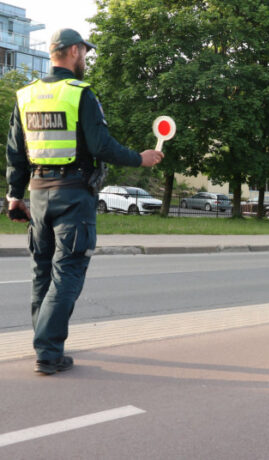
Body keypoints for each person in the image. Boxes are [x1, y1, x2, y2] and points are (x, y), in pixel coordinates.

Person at [5, 28, 164, 375]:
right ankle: (47, 353)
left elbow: (16, 154)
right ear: (74, 51)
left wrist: (14, 197)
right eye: (85, 54)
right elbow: (102, 146)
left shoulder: (26, 95)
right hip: (73, 196)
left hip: (38, 193)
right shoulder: (80, 94)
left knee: (42, 272)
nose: (86, 59)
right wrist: (141, 158)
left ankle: (47, 345)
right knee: (67, 273)